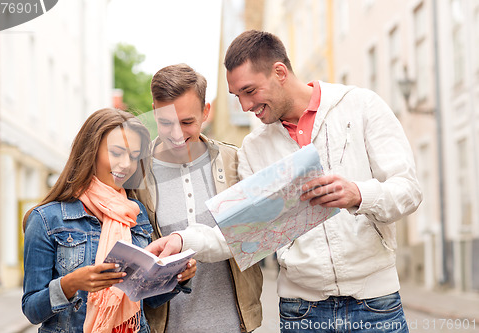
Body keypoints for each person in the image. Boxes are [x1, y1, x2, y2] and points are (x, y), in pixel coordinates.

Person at [149, 30, 423, 333]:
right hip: (302, 312)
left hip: (376, 304)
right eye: (237, 95)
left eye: (249, 90)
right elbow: (239, 232)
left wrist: (359, 194)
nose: (244, 105)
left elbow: (408, 190)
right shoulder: (253, 148)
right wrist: (183, 241)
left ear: (279, 72)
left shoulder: (360, 106)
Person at [21, 108, 196, 333]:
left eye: (133, 156)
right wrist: (70, 284)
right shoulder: (47, 219)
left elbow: (146, 300)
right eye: (116, 152)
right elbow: (32, 310)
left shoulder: (136, 213)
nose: (126, 164)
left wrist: (177, 278)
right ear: (90, 151)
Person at [137, 64, 263, 333]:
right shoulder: (137, 174)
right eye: (165, 122)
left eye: (187, 122)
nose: (176, 134)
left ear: (206, 112)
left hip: (233, 324)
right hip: (164, 327)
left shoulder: (234, 161)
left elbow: (254, 235)